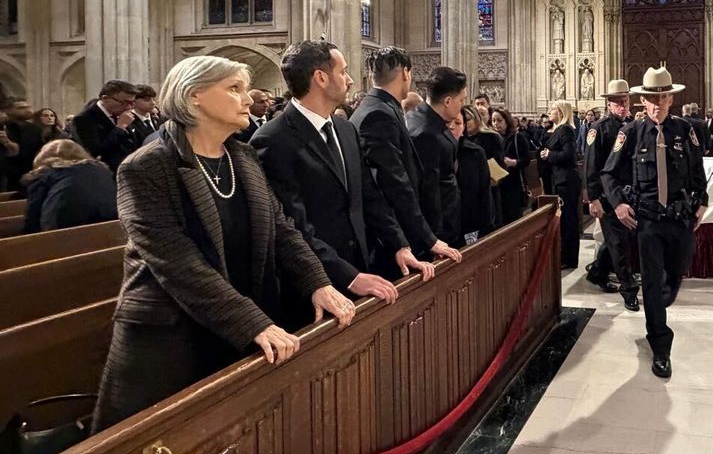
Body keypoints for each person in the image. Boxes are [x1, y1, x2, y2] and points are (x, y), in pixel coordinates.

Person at [91, 55, 356, 432]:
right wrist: (252, 323)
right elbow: (177, 262)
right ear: (194, 96)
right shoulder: (147, 166)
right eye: (234, 89)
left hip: (237, 322)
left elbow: (280, 229)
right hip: (172, 338)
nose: (248, 99)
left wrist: (318, 282)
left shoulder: (242, 156)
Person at [252, 40, 433, 308]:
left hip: (362, 267)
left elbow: (370, 197)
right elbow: (294, 224)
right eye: (343, 71)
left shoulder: (344, 128)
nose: (349, 80)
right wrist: (348, 276)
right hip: (315, 284)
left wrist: (400, 245)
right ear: (321, 78)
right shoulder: (272, 139)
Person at [601, 67, 707, 379]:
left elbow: (697, 169)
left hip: (678, 218)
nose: (656, 103)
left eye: (662, 96)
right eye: (650, 98)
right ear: (642, 101)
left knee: (672, 280)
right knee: (650, 283)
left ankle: (659, 302)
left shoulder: (684, 130)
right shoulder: (630, 133)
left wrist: (701, 201)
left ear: (671, 98)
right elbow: (608, 173)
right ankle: (660, 345)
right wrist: (618, 203)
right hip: (646, 219)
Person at [351, 48, 462, 263]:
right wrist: (428, 238)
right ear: (405, 73)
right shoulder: (378, 114)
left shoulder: (377, 107)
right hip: (392, 239)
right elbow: (393, 183)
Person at [584, 79, 639, 310]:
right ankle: (629, 291)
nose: (622, 106)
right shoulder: (599, 128)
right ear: (609, 104)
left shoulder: (631, 127)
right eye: (617, 102)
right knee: (619, 244)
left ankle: (597, 272)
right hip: (606, 196)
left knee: (617, 241)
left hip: (627, 194)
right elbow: (591, 165)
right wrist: (593, 198)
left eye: (625, 101)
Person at [408, 66, 469, 248]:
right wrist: (434, 239)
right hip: (438, 231)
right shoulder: (427, 133)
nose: (462, 105)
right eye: (461, 100)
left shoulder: (419, 117)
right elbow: (429, 191)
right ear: (448, 101)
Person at [20, 139, 117, 234]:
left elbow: (32, 219)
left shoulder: (45, 174)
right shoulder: (102, 171)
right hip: (110, 229)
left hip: (61, 234)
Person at [541, 100, 580, 269]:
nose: (550, 111)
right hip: (560, 180)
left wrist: (550, 154)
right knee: (564, 219)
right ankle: (564, 256)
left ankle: (568, 258)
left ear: (562, 113)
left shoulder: (565, 130)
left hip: (566, 181)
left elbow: (569, 155)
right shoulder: (558, 130)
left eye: (553, 109)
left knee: (568, 220)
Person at [71, 79, 140, 172]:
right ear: (105, 98)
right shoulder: (84, 119)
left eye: (132, 103)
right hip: (105, 173)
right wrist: (120, 128)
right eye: (124, 102)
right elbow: (95, 152)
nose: (129, 107)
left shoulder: (124, 115)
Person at [457, 107, 495, 244]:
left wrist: (485, 226)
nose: (452, 127)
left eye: (458, 123)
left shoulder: (476, 151)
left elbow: (483, 192)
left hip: (472, 213)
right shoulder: (440, 148)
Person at [490, 108, 532, 225]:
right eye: (493, 120)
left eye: (499, 120)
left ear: (506, 121)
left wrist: (514, 162)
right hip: (496, 185)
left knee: (513, 221)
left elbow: (526, 159)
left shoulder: (517, 137)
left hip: (513, 186)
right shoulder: (491, 138)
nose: (496, 124)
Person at [3, 99, 43, 189]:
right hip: (6, 175)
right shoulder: (3, 127)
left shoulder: (35, 129)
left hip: (29, 173)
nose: (27, 110)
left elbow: (39, 151)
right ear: (8, 111)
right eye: (21, 108)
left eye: (28, 107)